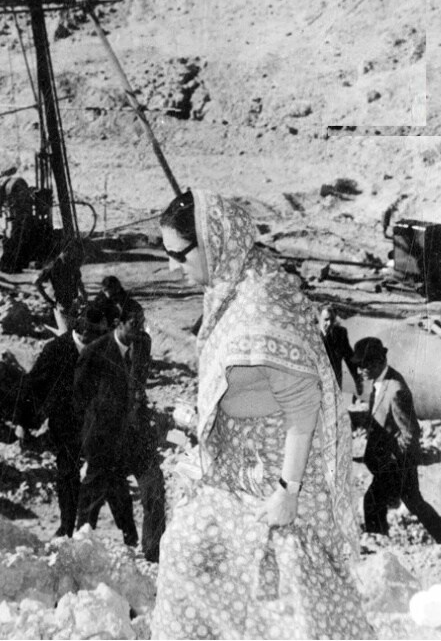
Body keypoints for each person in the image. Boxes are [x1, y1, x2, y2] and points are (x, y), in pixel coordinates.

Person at [150, 190, 372, 638]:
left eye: (178, 254)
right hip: (238, 468)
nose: (173, 267)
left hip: (275, 475)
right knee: (187, 552)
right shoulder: (233, 284)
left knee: (286, 595)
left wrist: (287, 492)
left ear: (212, 243)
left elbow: (303, 403)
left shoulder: (258, 305)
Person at [352, 336, 441, 544]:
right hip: (396, 462)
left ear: (376, 362)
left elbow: (411, 433)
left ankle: (377, 544)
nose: (359, 371)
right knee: (414, 502)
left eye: (363, 365)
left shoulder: (396, 390)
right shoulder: (381, 382)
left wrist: (393, 461)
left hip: (397, 464)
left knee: (372, 501)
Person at [15, 305, 108, 537]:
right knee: (67, 473)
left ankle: (87, 526)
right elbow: (32, 386)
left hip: (96, 421)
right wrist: (22, 423)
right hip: (65, 422)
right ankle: (67, 526)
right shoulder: (56, 350)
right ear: (82, 332)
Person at [74, 302, 149, 548]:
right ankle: (82, 537)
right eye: (133, 324)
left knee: (115, 485)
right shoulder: (96, 351)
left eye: (141, 323)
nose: (138, 329)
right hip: (98, 433)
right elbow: (79, 394)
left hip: (121, 433)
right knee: (96, 485)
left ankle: (128, 537)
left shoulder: (139, 348)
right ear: (118, 323)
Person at [35, 240, 87, 334]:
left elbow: (79, 282)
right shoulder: (53, 266)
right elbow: (37, 283)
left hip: (74, 303)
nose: (75, 256)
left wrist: (84, 296)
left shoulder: (72, 263)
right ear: (66, 251)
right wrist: (49, 301)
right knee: (66, 334)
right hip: (61, 305)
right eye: (73, 253)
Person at [318, 305, 360, 393]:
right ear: (318, 319)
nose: (329, 323)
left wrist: (358, 381)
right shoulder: (309, 334)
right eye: (326, 319)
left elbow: (350, 358)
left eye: (332, 320)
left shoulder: (340, 333)